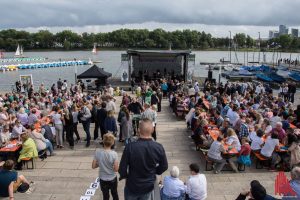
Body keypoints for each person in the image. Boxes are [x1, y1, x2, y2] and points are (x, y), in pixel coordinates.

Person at [119, 118, 168, 200]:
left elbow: (122, 169)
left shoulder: (130, 147)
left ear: (138, 130)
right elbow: (164, 166)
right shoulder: (158, 147)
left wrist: (126, 176)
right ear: (152, 130)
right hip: (148, 186)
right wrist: (155, 171)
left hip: (132, 185)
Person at [92, 133, 119, 200]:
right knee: (114, 194)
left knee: (105, 196)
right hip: (112, 178)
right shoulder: (114, 154)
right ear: (112, 143)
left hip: (103, 178)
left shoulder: (97, 152)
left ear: (103, 142)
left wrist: (100, 163)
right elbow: (116, 169)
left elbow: (93, 166)